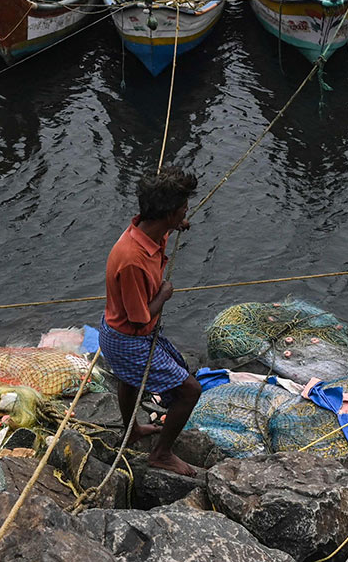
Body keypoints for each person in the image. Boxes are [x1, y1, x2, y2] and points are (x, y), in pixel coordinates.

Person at [98, 165, 202, 477]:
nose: (186, 212)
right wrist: (164, 294)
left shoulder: (145, 232)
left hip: (121, 332)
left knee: (129, 381)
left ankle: (131, 431)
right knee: (189, 390)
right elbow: (139, 315)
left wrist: (175, 225)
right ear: (168, 213)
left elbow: (162, 232)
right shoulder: (131, 259)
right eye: (183, 208)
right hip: (127, 338)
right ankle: (161, 454)